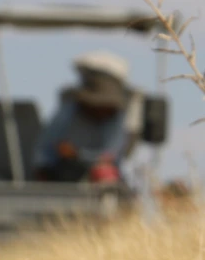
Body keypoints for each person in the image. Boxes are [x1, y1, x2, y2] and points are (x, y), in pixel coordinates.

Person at [33, 51, 144, 185]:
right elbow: (46, 148)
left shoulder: (119, 121)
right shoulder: (69, 111)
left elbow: (109, 156)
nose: (100, 110)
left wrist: (77, 154)